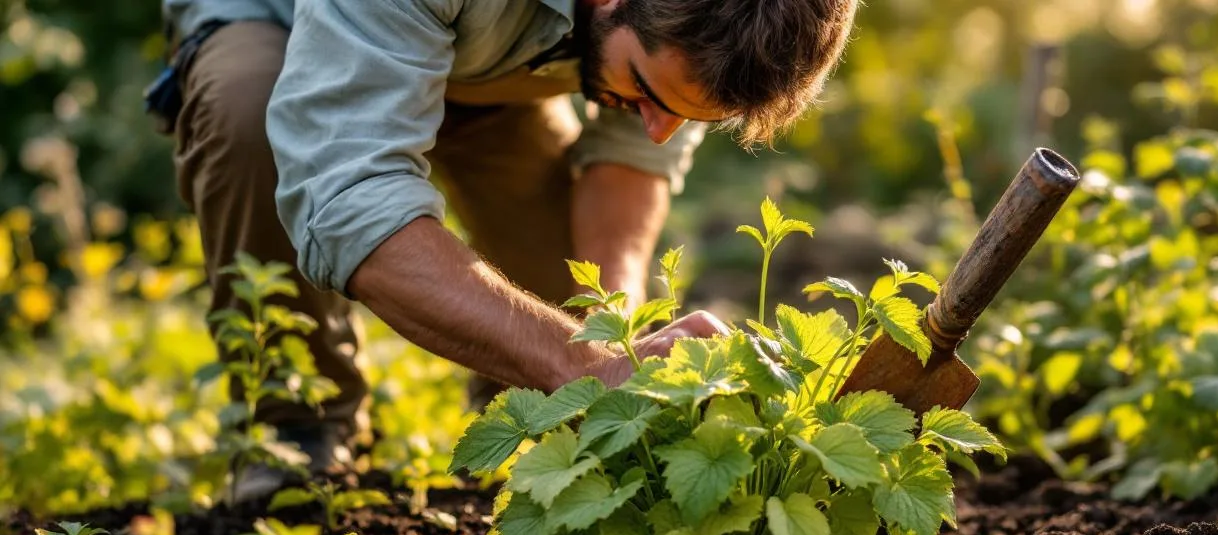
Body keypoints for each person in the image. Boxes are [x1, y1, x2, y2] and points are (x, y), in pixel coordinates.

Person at [154, 0, 860, 502]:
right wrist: (574, 364)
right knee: (249, 122)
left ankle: (511, 443)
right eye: (647, 92)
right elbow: (347, 197)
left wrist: (609, 332)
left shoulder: (681, 26)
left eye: (689, 116)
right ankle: (298, 425)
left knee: (559, 305)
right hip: (286, 27)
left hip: (505, 52)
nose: (660, 132)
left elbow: (629, 160)